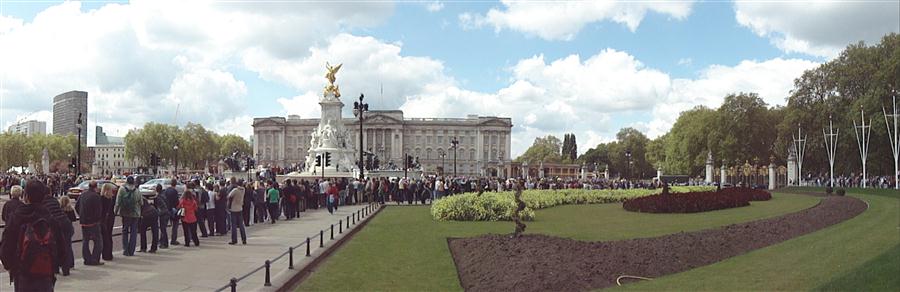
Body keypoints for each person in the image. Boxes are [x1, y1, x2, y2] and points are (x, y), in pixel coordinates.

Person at [1, 180, 67, 292]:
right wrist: (55, 265)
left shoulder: (17, 217)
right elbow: (61, 247)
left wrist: (10, 266)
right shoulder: (50, 219)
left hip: (22, 271)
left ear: (26, 196)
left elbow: (6, 244)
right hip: (45, 271)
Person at [42, 187, 72, 276]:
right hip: (65, 222)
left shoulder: (42, 202)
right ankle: (66, 269)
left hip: (54, 224)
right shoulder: (54, 200)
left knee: (54, 247)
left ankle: (55, 269)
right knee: (65, 246)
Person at [114, 176, 141, 256]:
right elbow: (141, 202)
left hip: (125, 213)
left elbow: (118, 202)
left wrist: (115, 212)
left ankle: (125, 250)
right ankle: (131, 250)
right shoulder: (137, 190)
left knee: (125, 231)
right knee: (133, 232)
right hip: (135, 213)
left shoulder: (122, 189)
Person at [99, 183, 116, 261]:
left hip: (104, 218)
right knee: (109, 235)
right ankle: (109, 253)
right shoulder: (112, 198)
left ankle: (105, 254)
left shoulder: (101, 198)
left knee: (104, 237)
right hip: (111, 217)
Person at [227, 178, 247, 245]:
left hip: (233, 208)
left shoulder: (235, 190)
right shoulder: (243, 190)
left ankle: (234, 240)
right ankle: (244, 239)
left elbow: (229, 196)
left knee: (234, 225)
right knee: (241, 225)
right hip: (240, 208)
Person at [162, 179, 180, 246]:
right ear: (175, 184)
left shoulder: (166, 190)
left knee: (164, 226)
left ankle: (163, 239)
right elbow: (177, 201)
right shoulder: (175, 191)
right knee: (175, 226)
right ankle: (173, 240)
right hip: (173, 209)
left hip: (167, 208)